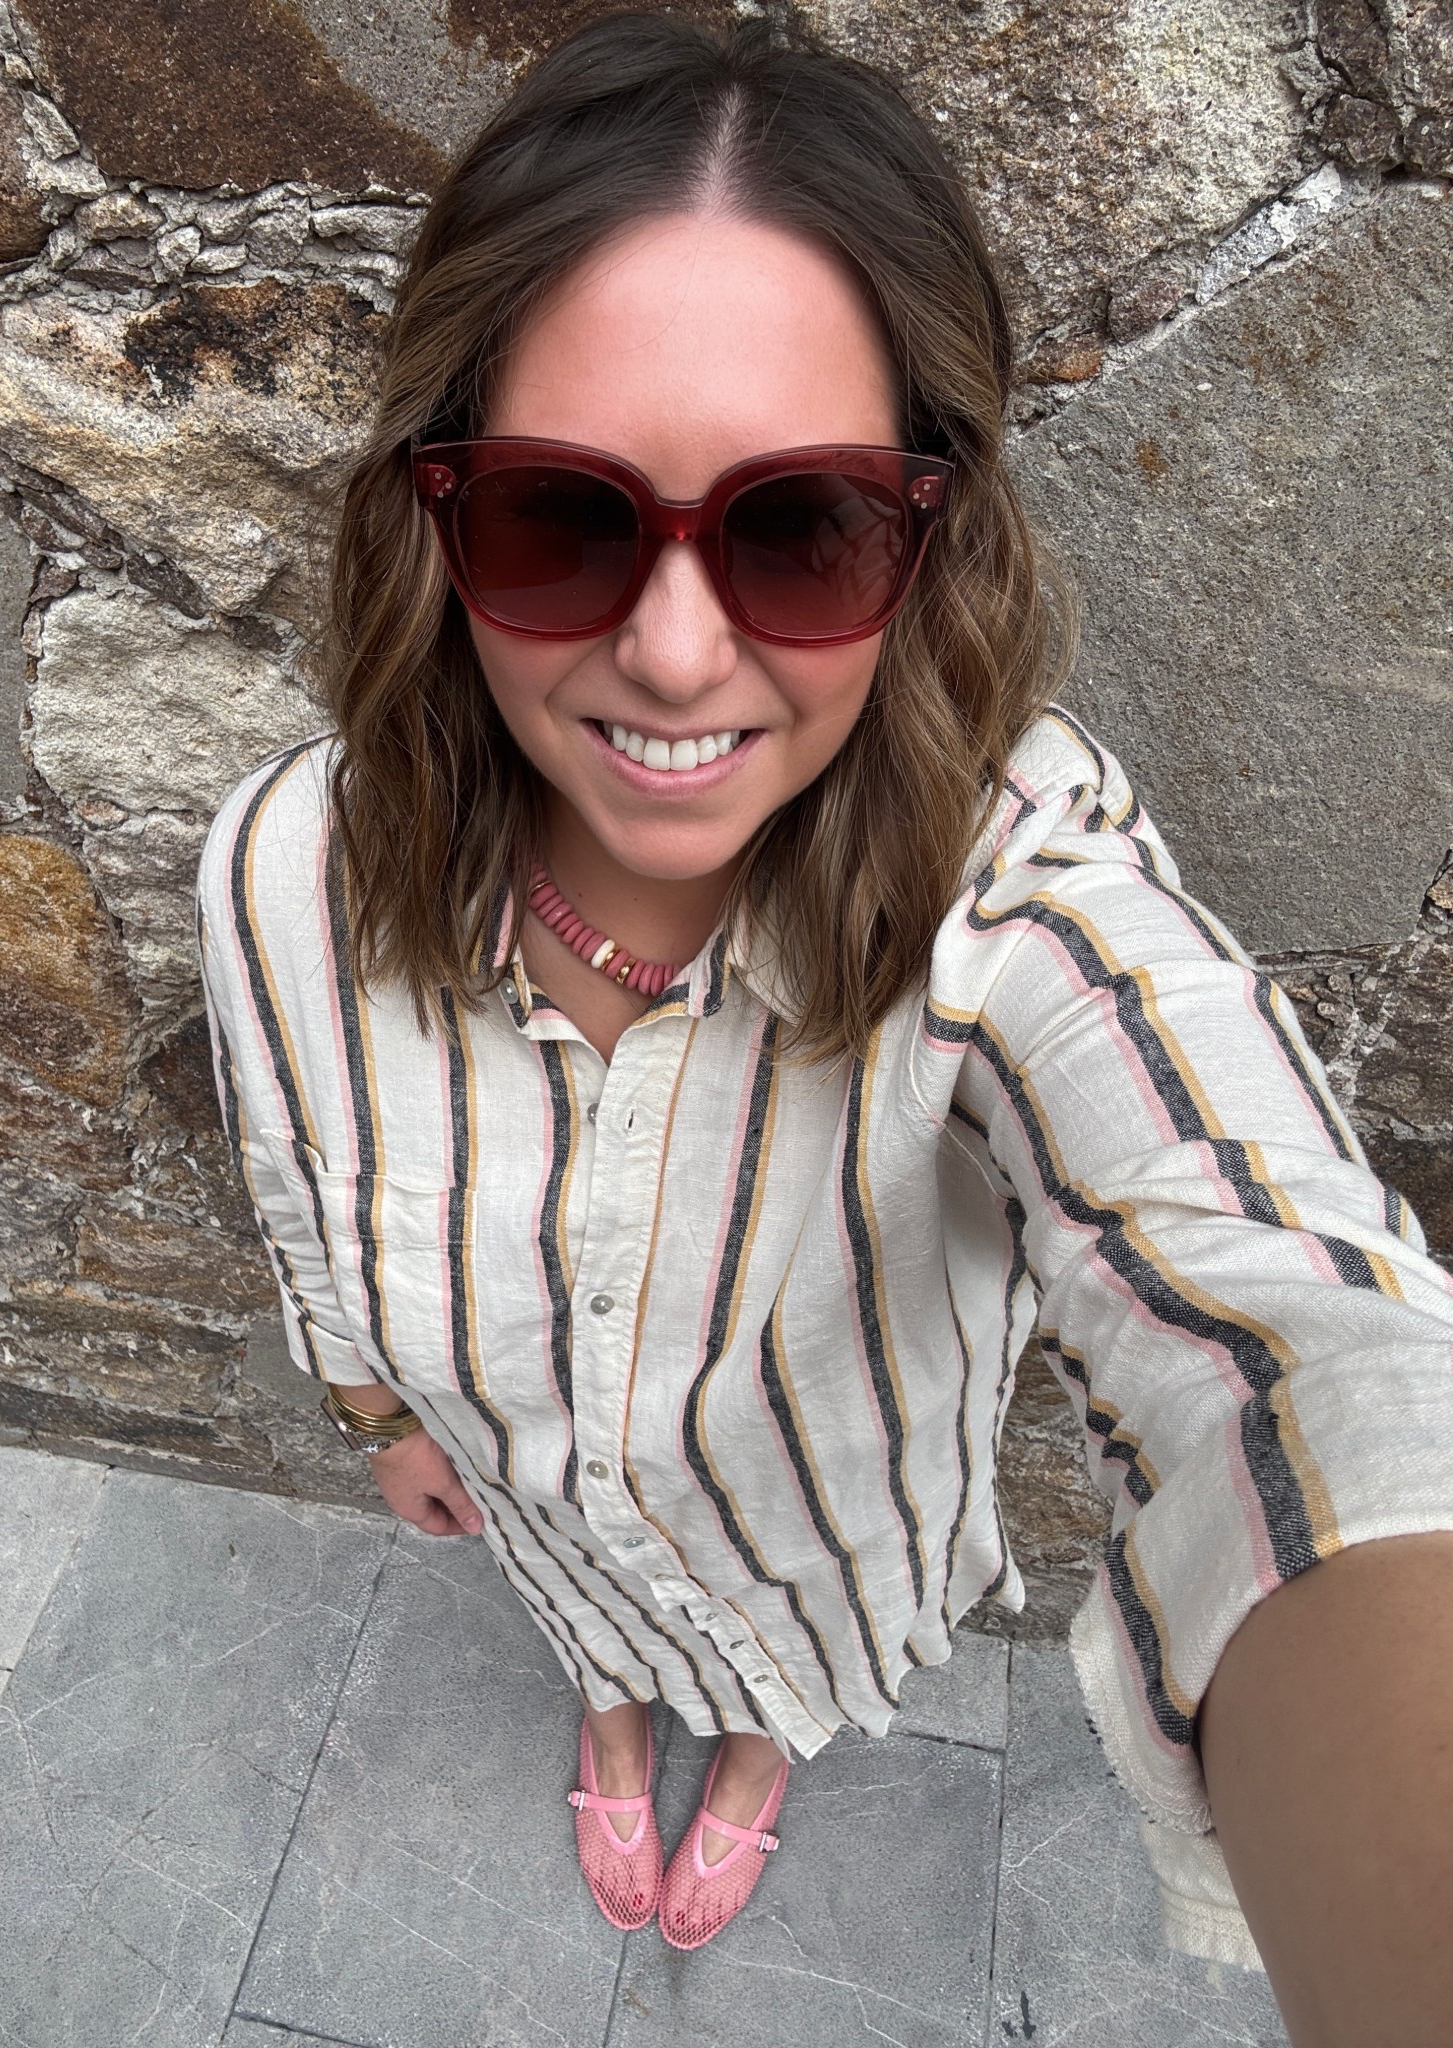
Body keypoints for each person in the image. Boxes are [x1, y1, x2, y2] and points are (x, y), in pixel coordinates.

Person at [195, 10, 1453, 2033]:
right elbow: (296, 1167)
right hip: (529, 1500)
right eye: (558, 514)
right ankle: (618, 1711)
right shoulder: (281, 866)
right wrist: (373, 1408)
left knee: (784, 1672)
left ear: (928, 528)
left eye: (801, 527)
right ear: (431, 509)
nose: (674, 650)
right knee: (590, 1610)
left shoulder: (1014, 887)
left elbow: (1281, 1305)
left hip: (825, 1540)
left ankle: (759, 1746)